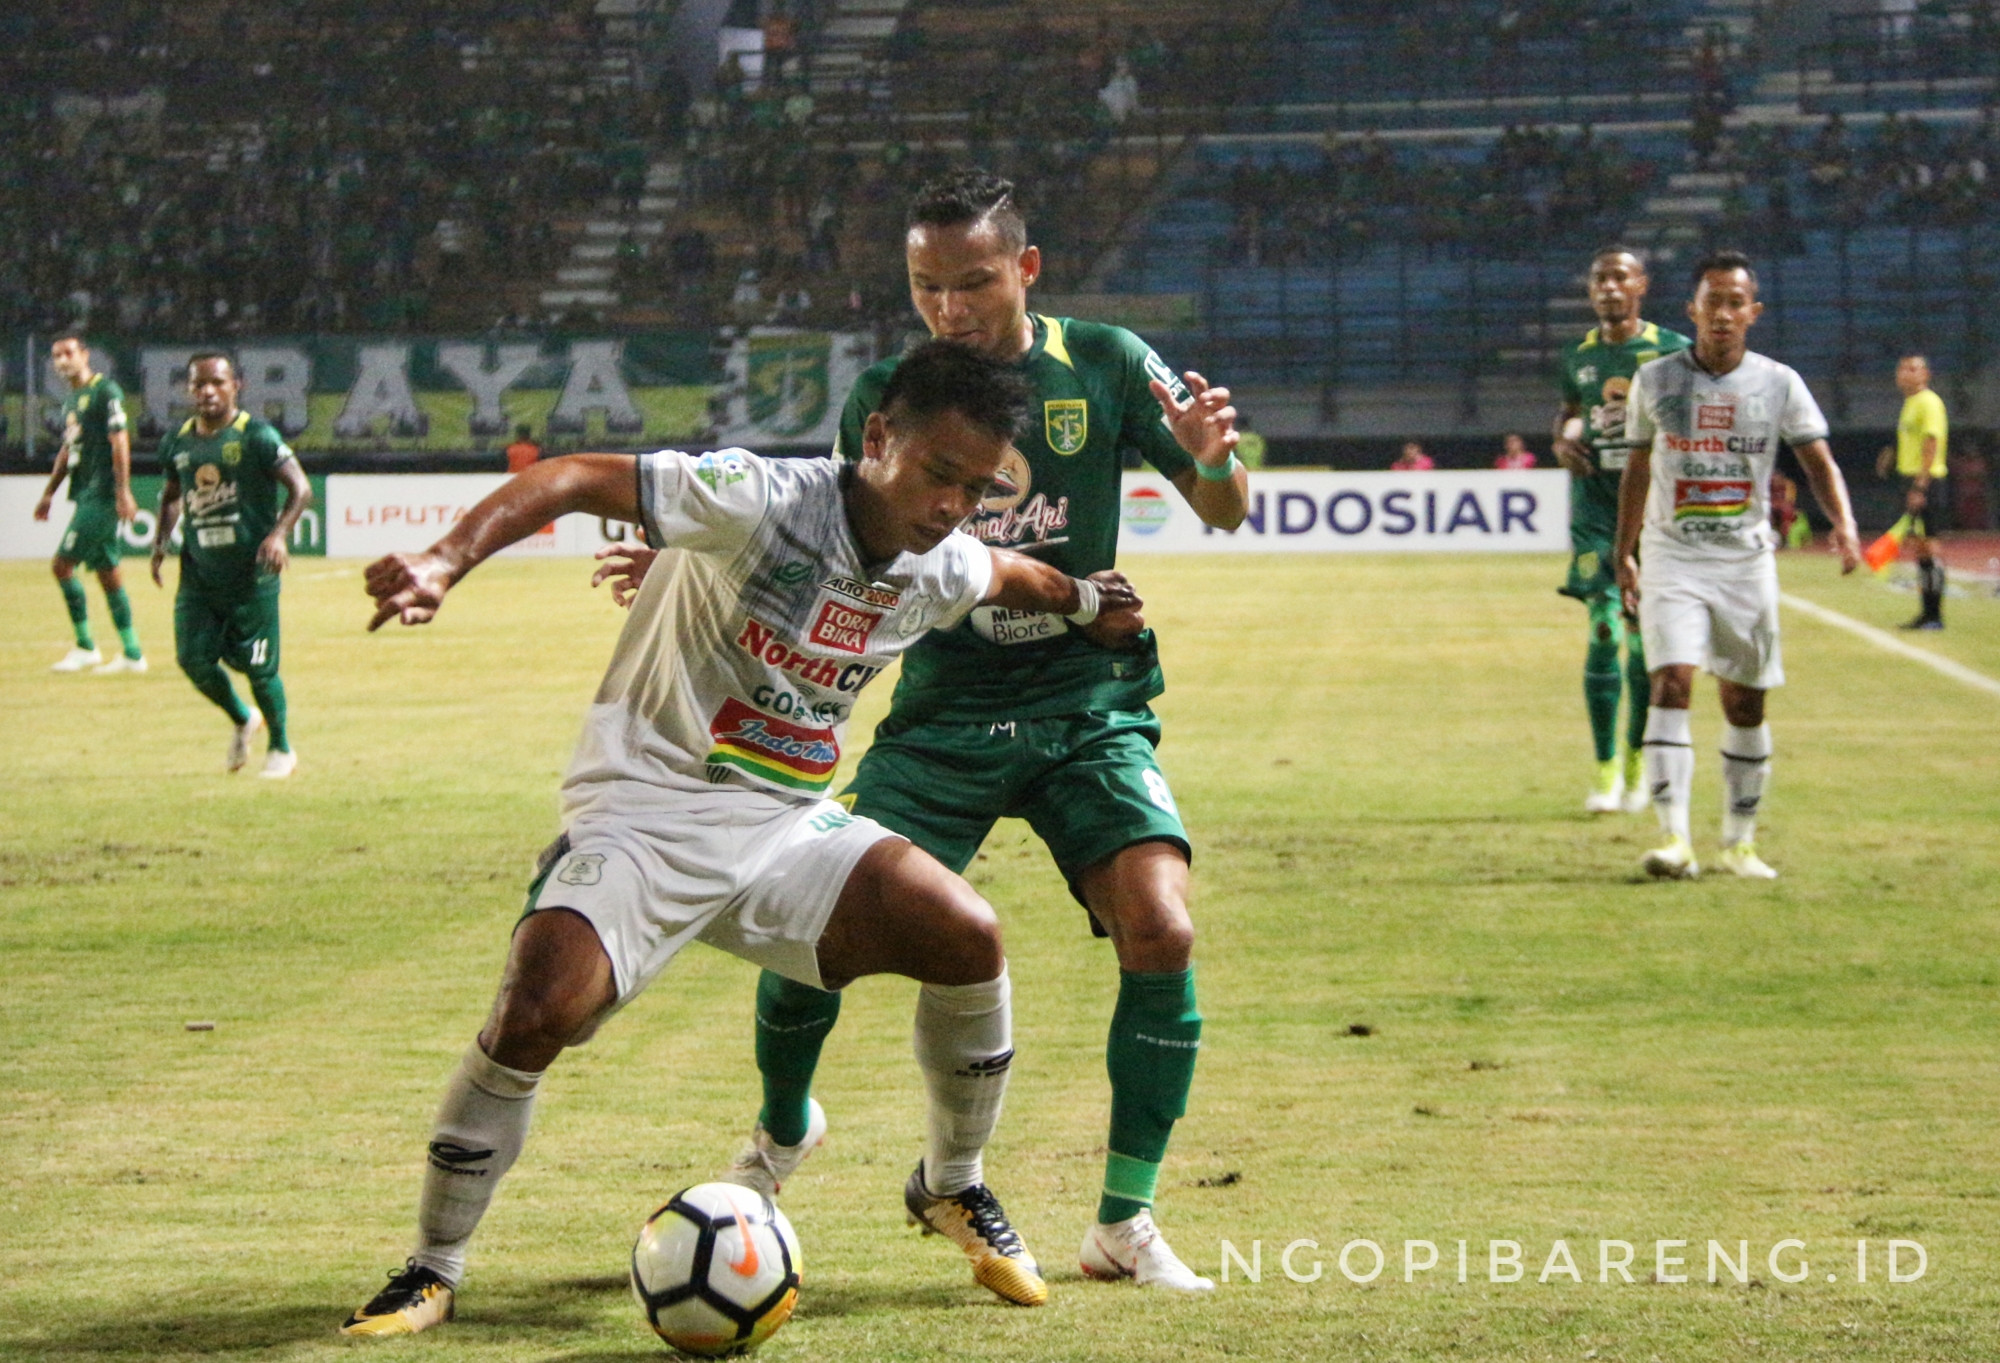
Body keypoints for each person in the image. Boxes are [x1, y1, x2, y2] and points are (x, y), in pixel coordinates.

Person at [339, 340, 1141, 1336]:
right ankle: (431, 1267)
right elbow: (570, 476)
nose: (949, 505)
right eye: (937, 475)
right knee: (534, 1013)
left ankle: (951, 1183)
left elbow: (1012, 574)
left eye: (974, 487)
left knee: (965, 934)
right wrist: (441, 559)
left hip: (783, 830)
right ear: (880, 438)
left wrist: (1090, 603)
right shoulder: (759, 498)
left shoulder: (940, 561)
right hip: (647, 811)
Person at [595, 170, 1247, 1299]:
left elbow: (1223, 508)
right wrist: (692, 554)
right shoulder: (886, 397)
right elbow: (822, 530)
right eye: (925, 285)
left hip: (1082, 705)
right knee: (816, 930)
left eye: (972, 282)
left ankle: (1122, 1223)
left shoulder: (1098, 362)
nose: (948, 307)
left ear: (1026, 270)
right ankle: (782, 1130)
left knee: (1162, 929)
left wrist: (1209, 455)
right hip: (940, 713)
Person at [1613, 250, 1860, 881]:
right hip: (1674, 556)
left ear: (1753, 312)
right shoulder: (1656, 381)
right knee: (1671, 681)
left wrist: (1845, 525)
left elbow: (1817, 462)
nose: (1723, 314)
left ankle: (1738, 843)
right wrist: (1626, 551)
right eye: (1712, 301)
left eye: (1735, 302)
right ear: (1691, 309)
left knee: (1745, 704)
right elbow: (1637, 470)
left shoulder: (1779, 383)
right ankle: (1674, 842)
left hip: (1746, 562)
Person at [1551, 247, 1692, 815]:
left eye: (1619, 277)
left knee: (1642, 649)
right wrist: (1561, 441)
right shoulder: (1577, 356)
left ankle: (1638, 770)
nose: (1608, 287)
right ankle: (1606, 770)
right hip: (1595, 513)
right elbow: (1564, 411)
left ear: (1641, 286)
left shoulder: (1672, 350)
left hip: (1654, 518)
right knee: (1605, 632)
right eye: (1599, 278)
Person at [150, 354, 314, 778]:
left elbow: (300, 487)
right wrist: (160, 543)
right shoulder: (178, 442)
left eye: (217, 383)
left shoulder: (256, 435)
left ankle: (281, 749)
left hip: (251, 575)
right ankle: (243, 718)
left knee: (260, 668)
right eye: (199, 384)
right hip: (199, 575)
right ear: (189, 389)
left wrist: (278, 534)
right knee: (193, 661)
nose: (207, 391)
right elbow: (171, 495)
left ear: (236, 385)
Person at [32, 332, 146, 674]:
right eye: (56, 356)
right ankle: (132, 653)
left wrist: (123, 490)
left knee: (62, 565)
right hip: (85, 492)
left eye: (68, 352)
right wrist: (50, 492)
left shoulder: (104, 391)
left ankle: (85, 647)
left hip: (102, 494)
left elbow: (120, 440)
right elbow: (69, 451)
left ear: (85, 355)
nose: (62, 360)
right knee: (108, 574)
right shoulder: (71, 401)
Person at [1875, 355, 1948, 629]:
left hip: (1926, 481)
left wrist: (1920, 486)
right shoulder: (1911, 403)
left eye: (1913, 369)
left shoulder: (1929, 402)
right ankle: (1926, 613)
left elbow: (1931, 444)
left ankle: (1934, 616)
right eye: (1902, 368)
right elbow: (1913, 438)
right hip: (1911, 478)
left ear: (1926, 374)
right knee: (1920, 548)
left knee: (1929, 547)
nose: (1906, 373)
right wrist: (1893, 453)